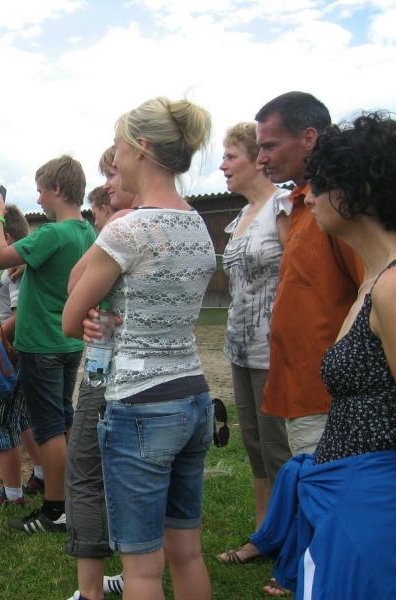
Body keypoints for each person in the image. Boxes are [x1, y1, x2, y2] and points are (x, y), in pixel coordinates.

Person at [63, 96, 215, 600]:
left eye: (120, 146)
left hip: (140, 404)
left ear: (142, 148)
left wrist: (96, 319)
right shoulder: (198, 224)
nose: (116, 157)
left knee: (143, 571)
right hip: (193, 396)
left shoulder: (127, 229)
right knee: (187, 553)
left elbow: (70, 318)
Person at [249, 112, 396, 599]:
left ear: (358, 191)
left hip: (374, 510)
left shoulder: (392, 287)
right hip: (345, 499)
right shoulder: (375, 280)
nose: (309, 198)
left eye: (322, 185)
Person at [0, 155, 95, 534]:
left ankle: (55, 510)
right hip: (68, 343)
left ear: (57, 190)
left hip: (40, 345)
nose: (37, 199)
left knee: (47, 426)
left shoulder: (52, 233)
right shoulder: (87, 233)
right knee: (63, 419)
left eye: (40, 190)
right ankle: (70, 497)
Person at [256, 92, 363, 457]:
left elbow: (372, 294)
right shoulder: (302, 203)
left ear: (308, 138)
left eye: (270, 146)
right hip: (302, 395)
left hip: (331, 401)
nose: (261, 159)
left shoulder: (338, 208)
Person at [215, 123, 293, 566]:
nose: (223, 166)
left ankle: (291, 541)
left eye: (231, 157)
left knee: (279, 449)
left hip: (274, 350)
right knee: (255, 447)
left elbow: (297, 276)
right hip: (239, 347)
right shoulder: (241, 217)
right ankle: (264, 535)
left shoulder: (282, 207)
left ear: (257, 160)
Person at [66, 146, 141, 600]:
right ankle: (137, 574)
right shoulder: (180, 220)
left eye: (112, 174)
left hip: (106, 372)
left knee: (86, 472)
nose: (107, 187)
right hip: (159, 378)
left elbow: (75, 287)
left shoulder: (121, 227)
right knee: (141, 478)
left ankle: (90, 590)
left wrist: (106, 233)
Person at [0, 203, 44, 506]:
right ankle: (42, 475)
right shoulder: (20, 267)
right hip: (21, 352)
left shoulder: (14, 271)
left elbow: (20, 315)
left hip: (12, 355)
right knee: (22, 418)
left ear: (5, 238)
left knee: (0, 420)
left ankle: (12, 494)